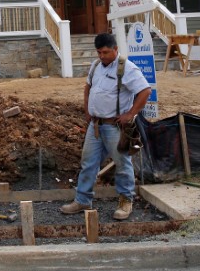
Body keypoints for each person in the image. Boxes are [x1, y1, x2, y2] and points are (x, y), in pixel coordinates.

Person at [60, 32, 151, 220]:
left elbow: (145, 91)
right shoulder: (96, 66)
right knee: (88, 163)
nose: (102, 56)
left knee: (122, 164)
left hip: (114, 127)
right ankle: (83, 199)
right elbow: (88, 87)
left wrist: (130, 114)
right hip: (95, 126)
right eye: (99, 52)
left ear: (115, 49)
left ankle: (126, 200)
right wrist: (87, 110)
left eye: (106, 52)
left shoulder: (126, 68)